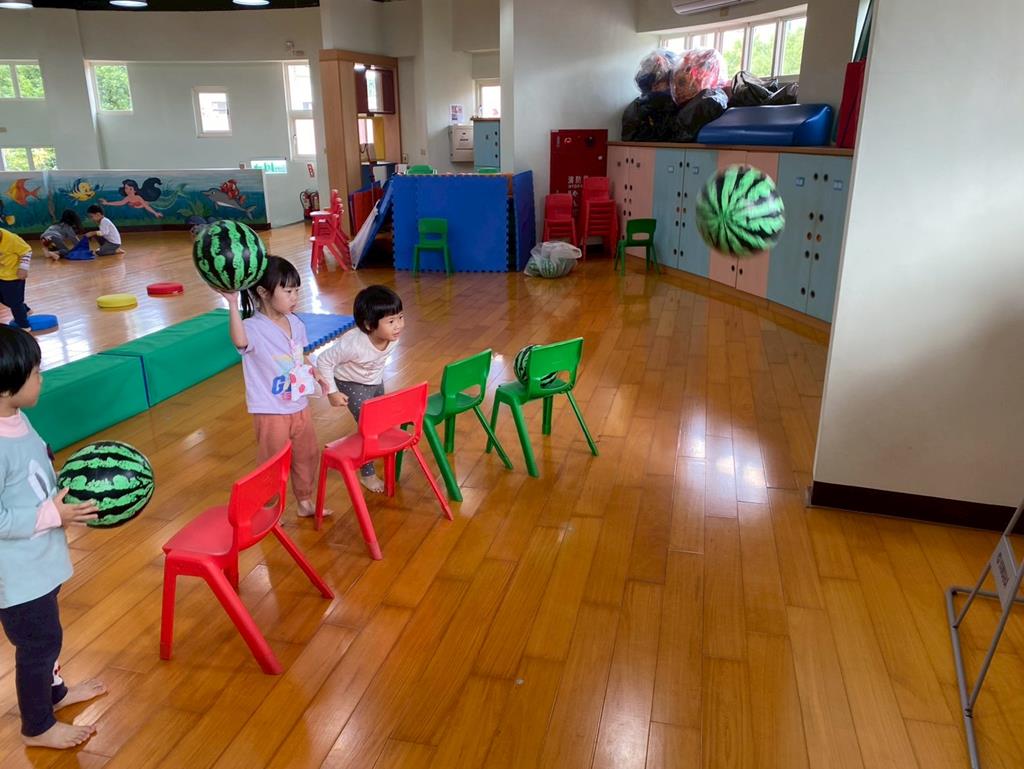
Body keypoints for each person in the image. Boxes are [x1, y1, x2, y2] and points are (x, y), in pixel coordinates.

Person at [0, 326, 107, 749]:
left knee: (47, 635)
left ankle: (55, 693)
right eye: (35, 372)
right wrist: (51, 513)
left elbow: (33, 476)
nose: (41, 379)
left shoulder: (15, 417)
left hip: (39, 560)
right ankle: (37, 726)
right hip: (16, 574)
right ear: (6, 385)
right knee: (38, 644)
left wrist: (65, 495)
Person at [220, 256, 329, 519]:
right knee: (272, 461)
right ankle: (268, 508)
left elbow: (299, 355)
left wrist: (314, 372)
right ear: (263, 292)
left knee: (307, 455)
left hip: (299, 404)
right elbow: (240, 341)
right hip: (271, 409)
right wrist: (232, 304)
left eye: (297, 291)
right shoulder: (252, 327)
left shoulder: (296, 323)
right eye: (288, 291)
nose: (295, 297)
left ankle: (304, 500)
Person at [315, 285, 404, 493]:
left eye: (400, 317)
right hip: (350, 384)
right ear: (369, 325)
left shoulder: (393, 337)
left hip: (374, 381)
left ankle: (379, 449)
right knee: (368, 427)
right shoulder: (352, 345)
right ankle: (367, 474)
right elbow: (324, 360)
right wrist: (332, 392)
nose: (398, 325)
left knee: (380, 420)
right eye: (391, 321)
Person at [0, 226, 33, 329]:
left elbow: (26, 251)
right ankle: (25, 310)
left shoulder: (11, 238)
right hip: (1, 274)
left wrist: (23, 268)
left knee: (15, 302)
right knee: (4, 299)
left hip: (13, 276)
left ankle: (24, 326)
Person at [99, 177, 164, 219]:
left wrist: (155, 213)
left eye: (130, 189)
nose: (128, 190)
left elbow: (146, 206)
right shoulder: (128, 198)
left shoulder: (138, 197)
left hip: (143, 205)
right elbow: (120, 203)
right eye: (126, 188)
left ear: (135, 190)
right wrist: (107, 203)